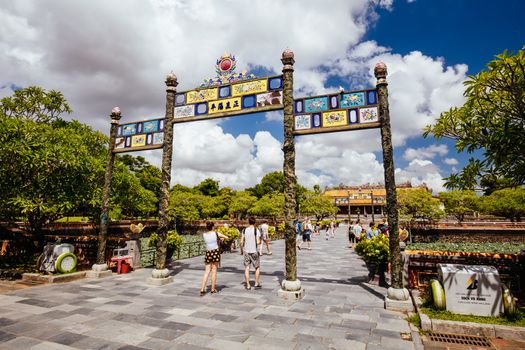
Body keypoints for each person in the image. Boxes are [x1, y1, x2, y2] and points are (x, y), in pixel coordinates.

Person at [200, 221, 229, 296]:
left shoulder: (204, 235)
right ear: (213, 227)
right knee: (214, 271)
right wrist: (221, 238)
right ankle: (213, 289)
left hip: (208, 253)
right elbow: (227, 237)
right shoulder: (216, 233)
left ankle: (202, 289)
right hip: (215, 252)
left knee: (206, 271)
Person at [240, 217, 262, 290]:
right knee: (257, 267)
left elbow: (241, 242)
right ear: (255, 222)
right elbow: (258, 242)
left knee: (247, 268)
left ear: (248, 222)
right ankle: (256, 283)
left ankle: (248, 285)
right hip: (254, 251)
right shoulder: (256, 230)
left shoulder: (244, 230)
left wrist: (241, 250)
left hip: (246, 251)